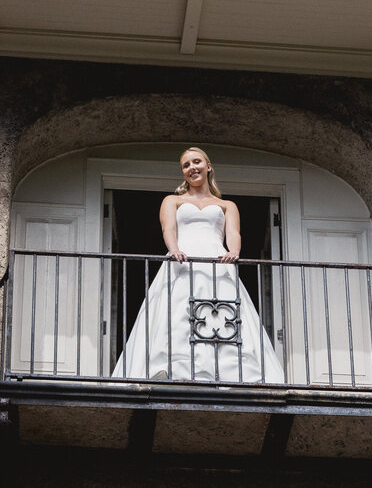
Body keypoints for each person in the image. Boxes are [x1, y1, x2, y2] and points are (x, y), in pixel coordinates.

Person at [111, 146, 285, 383]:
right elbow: (168, 228)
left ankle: (228, 371)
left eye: (196, 162)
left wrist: (234, 252)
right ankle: (172, 367)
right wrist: (174, 249)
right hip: (183, 260)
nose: (192, 168)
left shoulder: (227, 205)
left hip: (217, 262)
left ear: (208, 166)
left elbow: (233, 232)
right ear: (183, 172)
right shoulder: (172, 200)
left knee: (222, 314)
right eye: (186, 165)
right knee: (177, 313)